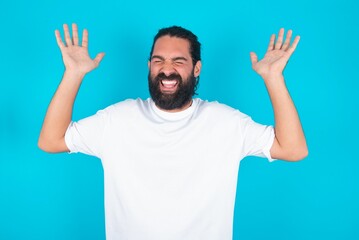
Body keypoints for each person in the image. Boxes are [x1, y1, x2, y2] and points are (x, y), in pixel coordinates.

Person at [38, 23, 308, 240]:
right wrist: (73, 73)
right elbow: (51, 140)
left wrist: (274, 78)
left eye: (178, 61)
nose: (167, 69)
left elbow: (293, 149)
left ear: (196, 68)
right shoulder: (117, 119)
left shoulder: (226, 122)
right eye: (159, 60)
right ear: (149, 66)